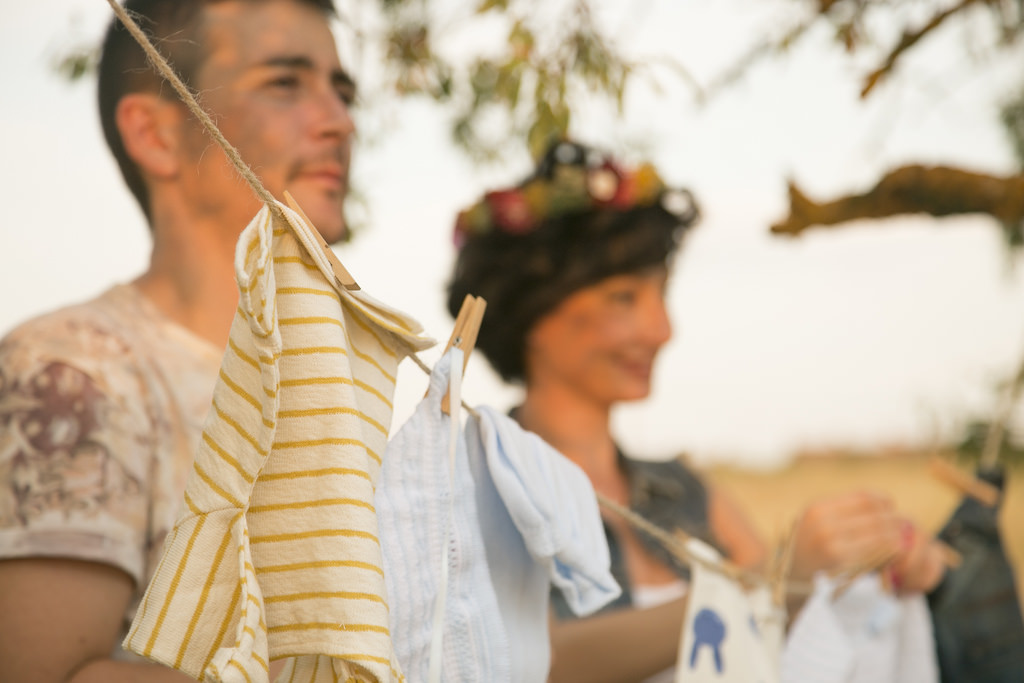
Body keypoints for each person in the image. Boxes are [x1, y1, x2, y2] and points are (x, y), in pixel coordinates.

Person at [446, 139, 950, 682]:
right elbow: (538, 661)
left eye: (661, 295)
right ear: (533, 314)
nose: (662, 330)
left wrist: (864, 567)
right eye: (624, 297)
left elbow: (779, 644)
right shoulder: (476, 487)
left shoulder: (688, 490)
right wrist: (773, 585)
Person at [0, 1, 355, 680]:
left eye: (341, 90)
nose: (340, 121)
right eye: (286, 82)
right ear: (155, 133)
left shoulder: (334, 396)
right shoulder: (74, 366)